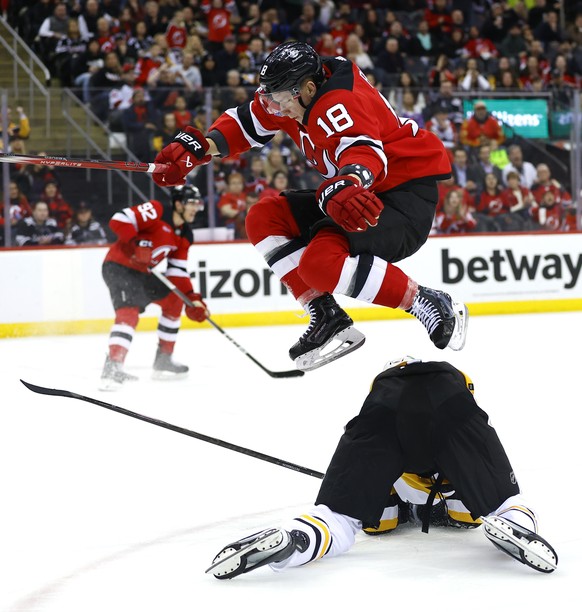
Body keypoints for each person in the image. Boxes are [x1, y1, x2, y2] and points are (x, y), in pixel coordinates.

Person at [151, 41, 468, 372]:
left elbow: (365, 153)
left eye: (281, 100)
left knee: (319, 265)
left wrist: (348, 181)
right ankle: (327, 316)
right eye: (270, 98)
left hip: (401, 198)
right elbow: (247, 122)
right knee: (264, 216)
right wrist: (201, 147)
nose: (276, 108)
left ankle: (425, 301)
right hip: (354, 193)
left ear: (309, 88)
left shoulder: (337, 103)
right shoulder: (295, 95)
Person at [206, 357, 558, 580]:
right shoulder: (455, 386)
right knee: (490, 506)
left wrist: (368, 483)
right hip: (452, 403)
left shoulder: (388, 385)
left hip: (382, 409)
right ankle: (515, 522)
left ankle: (297, 539)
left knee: (345, 517)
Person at [100, 185, 209, 391]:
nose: (196, 208)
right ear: (178, 204)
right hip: (118, 266)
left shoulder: (185, 234)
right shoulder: (157, 210)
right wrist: (136, 243)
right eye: (192, 203)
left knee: (174, 301)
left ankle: (163, 360)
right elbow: (119, 219)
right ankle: (113, 365)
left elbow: (177, 271)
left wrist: (192, 298)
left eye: (197, 204)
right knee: (128, 313)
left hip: (143, 273)